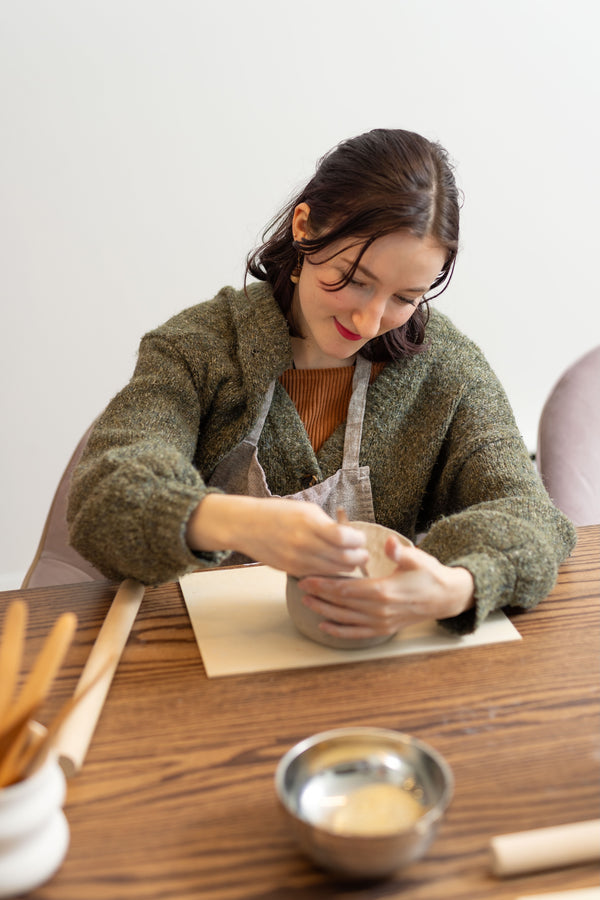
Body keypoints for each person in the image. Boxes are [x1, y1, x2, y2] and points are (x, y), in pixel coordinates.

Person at [67, 128, 576, 638]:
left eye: (405, 297)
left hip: (373, 664)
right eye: (355, 279)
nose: (370, 320)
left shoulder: (446, 368)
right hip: (207, 655)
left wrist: (456, 586)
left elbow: (529, 514)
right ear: (305, 228)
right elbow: (103, 498)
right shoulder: (198, 348)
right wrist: (235, 522)